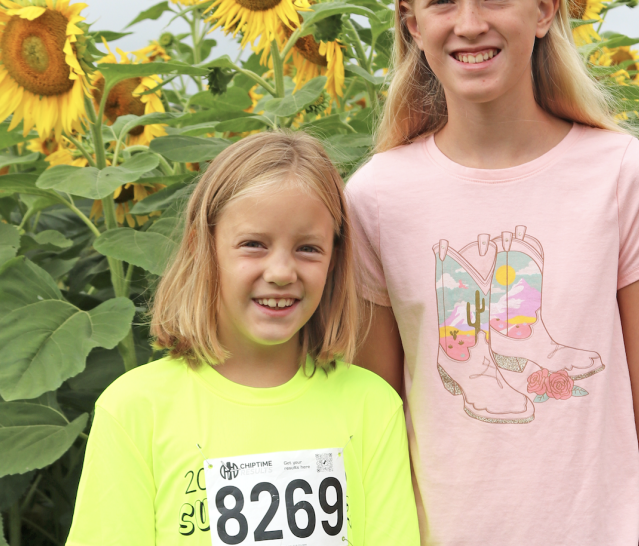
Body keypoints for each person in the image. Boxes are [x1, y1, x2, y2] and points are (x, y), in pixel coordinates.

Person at [345, 0, 639, 543]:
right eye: (443, 3)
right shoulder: (377, 198)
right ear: (414, 25)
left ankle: (522, 340)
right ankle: (473, 362)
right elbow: (376, 425)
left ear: (545, 11)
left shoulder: (622, 176)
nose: (469, 24)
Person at [66, 132, 420, 546]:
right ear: (204, 248)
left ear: (335, 260)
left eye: (308, 248)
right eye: (253, 245)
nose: (281, 272)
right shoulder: (134, 410)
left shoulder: (373, 408)